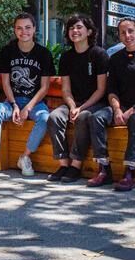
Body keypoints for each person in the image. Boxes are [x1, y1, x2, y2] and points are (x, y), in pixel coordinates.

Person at [87, 18, 135, 192]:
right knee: (96, 117)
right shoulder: (115, 59)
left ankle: (130, 172)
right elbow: (111, 90)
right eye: (123, 32)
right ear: (119, 36)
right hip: (121, 106)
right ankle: (104, 169)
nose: (127, 35)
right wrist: (116, 109)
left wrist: (132, 110)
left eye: (131, 31)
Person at [0, 13, 55, 180]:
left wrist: (28, 108)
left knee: (45, 118)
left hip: (35, 103)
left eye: (28, 28)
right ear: (15, 30)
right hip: (12, 102)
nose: (24, 31)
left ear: (34, 30)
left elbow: (44, 88)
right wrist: (15, 105)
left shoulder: (43, 53)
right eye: (19, 28)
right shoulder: (8, 51)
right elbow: (6, 83)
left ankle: (24, 157)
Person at [46, 14, 109, 184]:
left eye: (79, 27)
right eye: (71, 28)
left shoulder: (99, 54)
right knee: (54, 117)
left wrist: (80, 109)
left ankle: (76, 165)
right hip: (74, 102)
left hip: (96, 103)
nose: (75, 31)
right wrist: (73, 105)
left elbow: (101, 89)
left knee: (82, 117)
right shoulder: (66, 57)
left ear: (89, 31)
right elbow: (66, 89)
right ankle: (63, 163)